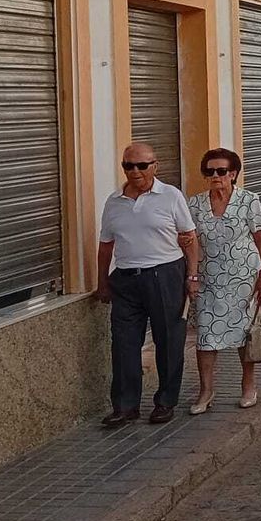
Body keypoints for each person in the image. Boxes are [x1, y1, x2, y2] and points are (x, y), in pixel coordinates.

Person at [95, 143, 198, 427]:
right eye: (128, 166)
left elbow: (189, 237)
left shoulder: (170, 196)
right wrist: (102, 282)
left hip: (164, 275)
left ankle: (165, 401)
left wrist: (192, 277)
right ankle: (125, 406)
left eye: (142, 165)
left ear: (156, 166)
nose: (135, 171)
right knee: (124, 344)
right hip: (126, 279)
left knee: (168, 340)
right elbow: (105, 245)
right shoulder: (114, 201)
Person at [187, 148, 261, 414]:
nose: (215, 176)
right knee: (206, 336)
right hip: (208, 279)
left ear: (233, 174)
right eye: (209, 171)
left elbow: (260, 239)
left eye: (221, 171)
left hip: (243, 279)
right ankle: (206, 391)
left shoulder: (248, 200)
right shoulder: (195, 204)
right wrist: (192, 277)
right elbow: (192, 242)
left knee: (245, 334)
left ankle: (248, 385)